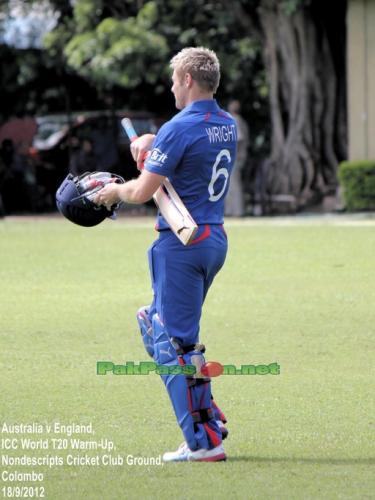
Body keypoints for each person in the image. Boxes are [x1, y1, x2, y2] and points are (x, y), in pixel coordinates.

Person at [95, 47, 237, 462]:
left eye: (175, 80)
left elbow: (141, 192)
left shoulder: (178, 127)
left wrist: (113, 192)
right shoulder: (226, 124)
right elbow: (190, 156)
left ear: (188, 80)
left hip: (180, 245)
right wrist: (155, 144)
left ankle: (203, 442)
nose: (172, 86)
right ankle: (207, 415)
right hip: (213, 240)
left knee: (172, 344)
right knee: (153, 322)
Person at [225, 100, 249, 217]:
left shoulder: (235, 120)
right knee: (230, 184)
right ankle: (230, 210)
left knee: (234, 184)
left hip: (235, 157)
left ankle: (237, 211)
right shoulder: (240, 120)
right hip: (237, 156)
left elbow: (238, 139)